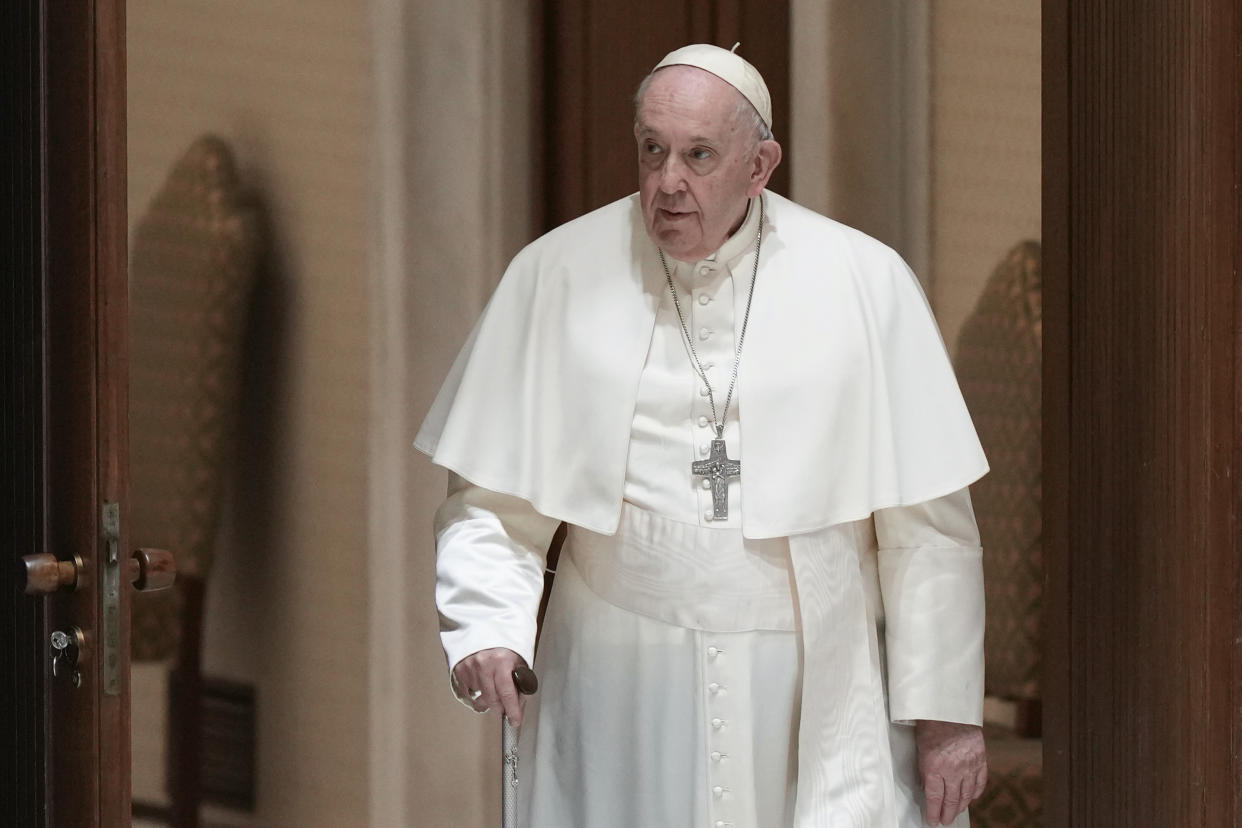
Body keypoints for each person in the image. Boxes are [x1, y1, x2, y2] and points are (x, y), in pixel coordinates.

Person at [418, 43, 989, 828]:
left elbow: (929, 531)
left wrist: (946, 716)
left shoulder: (864, 282)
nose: (667, 183)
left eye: (698, 156)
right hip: (618, 679)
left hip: (812, 679)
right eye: (651, 150)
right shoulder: (556, 275)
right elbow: (490, 501)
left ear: (760, 167)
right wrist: (486, 625)